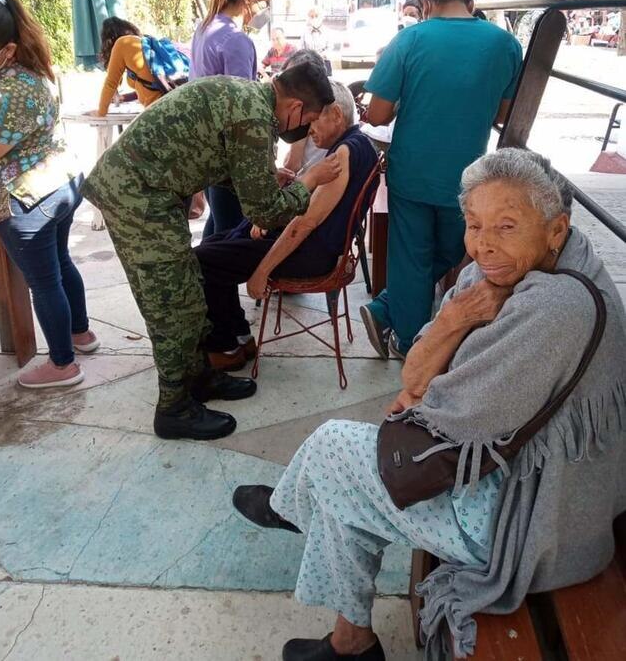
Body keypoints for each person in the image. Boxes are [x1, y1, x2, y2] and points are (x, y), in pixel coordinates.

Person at [233, 148, 626, 661]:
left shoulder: (554, 308)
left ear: (557, 229)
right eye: (474, 224)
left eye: (507, 226)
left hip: (533, 527)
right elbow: (416, 378)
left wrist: (442, 340)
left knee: (333, 453)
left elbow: (419, 405)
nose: (484, 246)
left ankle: (300, 513)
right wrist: (452, 325)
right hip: (517, 481)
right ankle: (346, 632)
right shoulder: (518, 272)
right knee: (342, 476)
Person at [82, 59, 340, 441]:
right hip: (136, 196)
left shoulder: (250, 97)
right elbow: (265, 213)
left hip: (150, 191)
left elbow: (219, 157)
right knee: (173, 306)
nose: (309, 128)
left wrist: (268, 178)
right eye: (311, 118)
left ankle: (199, 379)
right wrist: (309, 181)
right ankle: (173, 410)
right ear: (296, 109)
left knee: (190, 291)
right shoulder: (254, 118)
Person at [360, 0, 523, 361]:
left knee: (411, 255)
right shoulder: (505, 44)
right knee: (452, 251)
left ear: (426, 3)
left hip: (411, 173)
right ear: (470, 2)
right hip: (470, 181)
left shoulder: (409, 39)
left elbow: (377, 116)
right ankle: (393, 313)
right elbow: (503, 113)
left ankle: (405, 335)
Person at [195, 76, 378, 370]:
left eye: (315, 120)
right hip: (314, 248)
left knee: (202, 260)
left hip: (311, 255)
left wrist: (262, 272)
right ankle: (240, 336)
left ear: (337, 115)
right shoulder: (357, 144)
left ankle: (224, 346)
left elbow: (305, 224)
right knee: (215, 243)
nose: (308, 129)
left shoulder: (343, 153)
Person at [0, 0, 98, 389]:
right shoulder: (35, 74)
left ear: (6, 49)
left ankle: (63, 366)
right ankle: (81, 335)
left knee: (44, 283)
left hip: (27, 200)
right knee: (61, 265)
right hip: (61, 185)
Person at [189, 0, 277, 239]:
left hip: (206, 149)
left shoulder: (206, 28)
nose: (267, 10)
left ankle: (204, 282)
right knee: (231, 237)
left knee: (217, 228)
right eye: (266, 1)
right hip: (228, 156)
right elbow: (242, 114)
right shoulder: (236, 40)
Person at [300, 7, 331, 74]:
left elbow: (330, 48)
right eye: (311, 16)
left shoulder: (327, 32)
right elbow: (302, 49)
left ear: (321, 17)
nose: (314, 18)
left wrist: (321, 55)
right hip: (309, 64)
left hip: (324, 63)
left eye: (316, 16)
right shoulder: (304, 33)